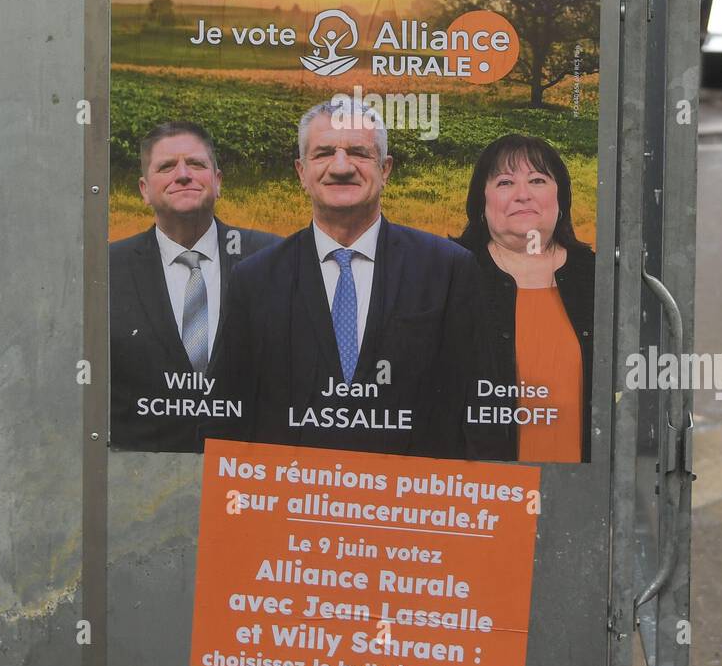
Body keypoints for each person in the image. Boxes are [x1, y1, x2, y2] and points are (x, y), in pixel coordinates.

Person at [224, 100, 485, 459]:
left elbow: (474, 410)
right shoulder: (252, 280)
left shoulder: (449, 269)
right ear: (301, 172)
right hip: (291, 503)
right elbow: (227, 417)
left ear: (386, 168)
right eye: (324, 153)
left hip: (412, 501)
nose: (342, 166)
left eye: (359, 153)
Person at [110, 121, 278, 452]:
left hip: (249, 476)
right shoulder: (107, 268)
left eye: (197, 164)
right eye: (167, 166)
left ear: (218, 182)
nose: (183, 174)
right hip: (139, 479)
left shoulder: (275, 258)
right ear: (144, 189)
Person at [456, 134, 595, 464]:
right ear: (481, 202)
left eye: (537, 180)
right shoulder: (451, 275)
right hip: (487, 494)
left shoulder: (597, 276)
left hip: (583, 490)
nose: (523, 195)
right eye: (505, 182)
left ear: (560, 198)